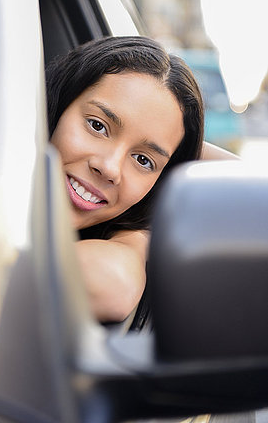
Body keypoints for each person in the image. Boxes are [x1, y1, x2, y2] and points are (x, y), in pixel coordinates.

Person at [46, 36, 238, 323]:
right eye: (97, 126)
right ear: (57, 104)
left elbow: (109, 284)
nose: (110, 168)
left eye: (143, 160)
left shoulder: (122, 242)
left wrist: (137, 239)